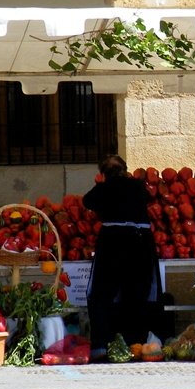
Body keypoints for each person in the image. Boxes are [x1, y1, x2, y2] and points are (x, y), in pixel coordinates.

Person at [83, 154, 162, 360]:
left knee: (102, 293)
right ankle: (134, 342)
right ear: (125, 170)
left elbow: (87, 201)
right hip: (140, 243)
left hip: (113, 244)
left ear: (103, 174)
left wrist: (101, 187)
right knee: (136, 292)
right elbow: (148, 198)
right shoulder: (137, 186)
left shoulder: (103, 188)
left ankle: (100, 344)